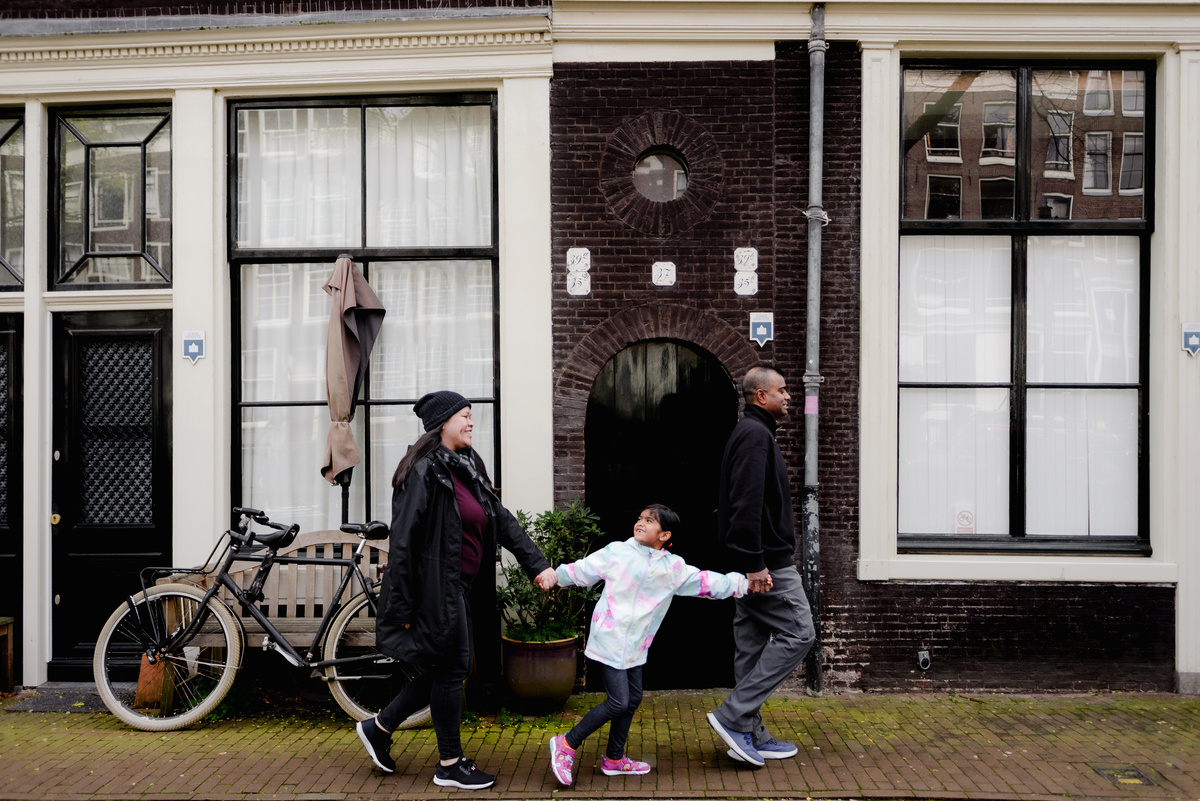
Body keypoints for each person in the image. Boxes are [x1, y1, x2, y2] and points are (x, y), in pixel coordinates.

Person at [356, 390, 557, 790]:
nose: (471, 422)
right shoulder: (423, 472)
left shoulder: (468, 465)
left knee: (448, 669)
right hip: (434, 589)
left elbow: (499, 517)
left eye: (470, 415)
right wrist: (403, 607)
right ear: (443, 423)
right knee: (452, 669)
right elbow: (403, 543)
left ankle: (380, 727)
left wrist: (536, 563)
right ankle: (448, 763)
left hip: (460, 586)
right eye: (464, 415)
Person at [547, 503, 748, 786]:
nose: (640, 523)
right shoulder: (617, 552)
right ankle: (567, 743)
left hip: (637, 645)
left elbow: (705, 581)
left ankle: (614, 759)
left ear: (664, 535)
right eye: (640, 518)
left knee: (633, 699)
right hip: (609, 639)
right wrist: (555, 575)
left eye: (650, 520)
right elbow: (583, 570)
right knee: (618, 701)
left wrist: (742, 584)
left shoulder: (672, 568)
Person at [706, 364, 816, 767]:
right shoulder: (755, 435)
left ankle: (748, 731)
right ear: (760, 396)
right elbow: (746, 503)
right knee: (800, 633)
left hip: (749, 561)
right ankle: (733, 716)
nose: (789, 396)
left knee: (750, 647)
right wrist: (756, 564)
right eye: (782, 390)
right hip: (766, 564)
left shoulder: (752, 433)